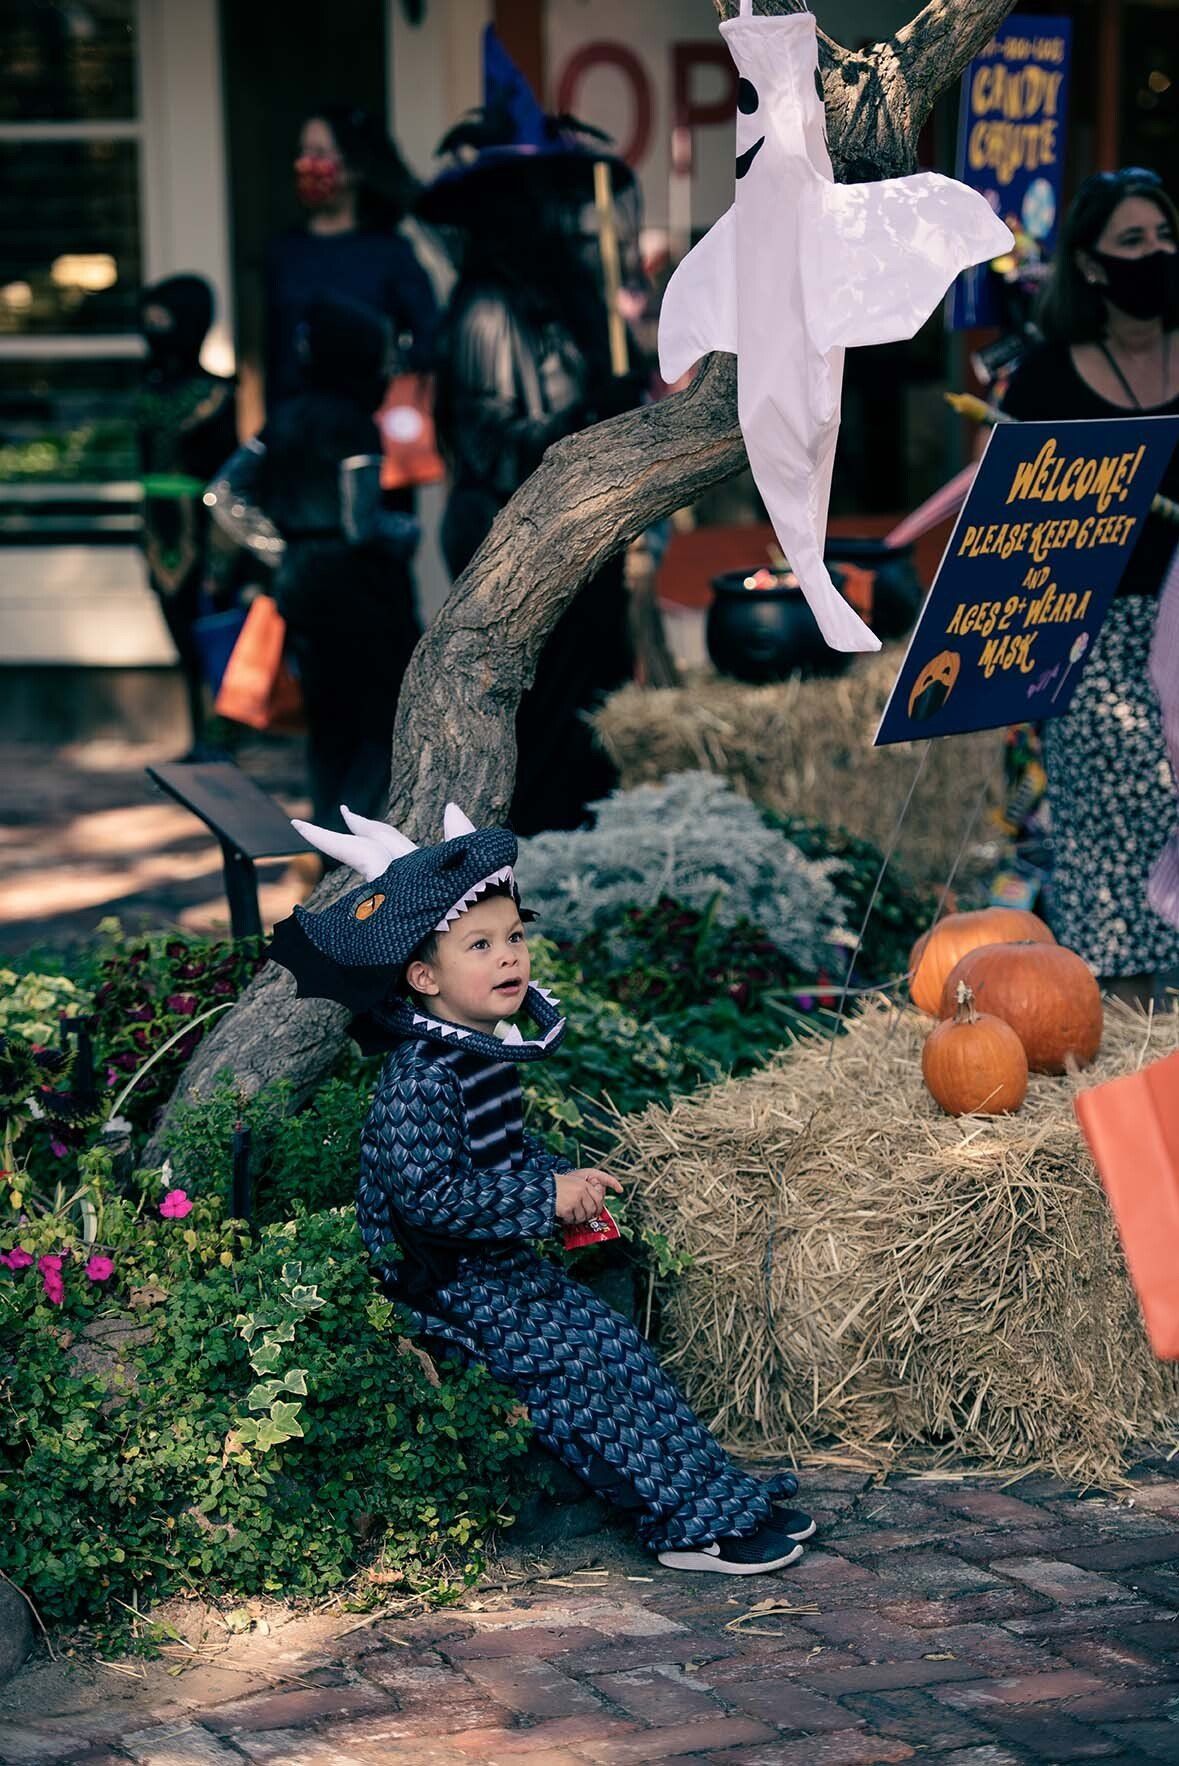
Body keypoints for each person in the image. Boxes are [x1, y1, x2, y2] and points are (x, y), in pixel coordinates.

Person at [269, 799, 816, 1573]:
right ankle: (682, 1526)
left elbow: (501, 1149)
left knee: (615, 1346)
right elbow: (431, 1199)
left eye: (515, 938)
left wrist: (560, 1182)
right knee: (575, 1370)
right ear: (422, 975)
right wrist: (541, 1200)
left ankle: (716, 1496)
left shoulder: (481, 1051)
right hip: (438, 1281)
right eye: (481, 944)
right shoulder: (421, 1079)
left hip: (488, 1261)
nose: (508, 958)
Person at [420, 37, 643, 834]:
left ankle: (580, 846)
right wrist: (588, 421)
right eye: (540, 204)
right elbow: (496, 447)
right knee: (539, 721)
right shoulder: (482, 313)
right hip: (513, 552)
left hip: (577, 548)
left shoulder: (569, 306)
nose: (560, 221)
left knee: (588, 710)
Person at [1001, 168, 1179, 1002]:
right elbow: (1008, 521)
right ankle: (1122, 1011)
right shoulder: (1044, 379)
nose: (1158, 252)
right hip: (1090, 634)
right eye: (1134, 241)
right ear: (1094, 266)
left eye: (1165, 235)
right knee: (1117, 814)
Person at [205, 294, 421, 833]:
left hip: (303, 586)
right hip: (362, 593)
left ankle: (328, 837)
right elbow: (361, 524)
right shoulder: (355, 424)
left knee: (326, 724)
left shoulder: (283, 419)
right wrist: (407, 529)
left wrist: (283, 547)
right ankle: (365, 844)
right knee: (380, 723)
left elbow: (223, 493)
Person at [265, 104, 437, 408]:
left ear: (355, 166)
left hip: (367, 427)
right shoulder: (285, 251)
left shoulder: (389, 252)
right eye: (303, 152)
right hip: (296, 426)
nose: (307, 164)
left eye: (319, 153)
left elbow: (428, 339)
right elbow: (275, 356)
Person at [135, 274, 239, 756]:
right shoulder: (148, 391)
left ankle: (218, 733)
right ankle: (201, 734)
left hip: (202, 525)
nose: (154, 329)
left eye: (164, 318)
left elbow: (225, 472)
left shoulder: (217, 393)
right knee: (180, 630)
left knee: (207, 625)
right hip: (158, 528)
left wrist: (224, 552)